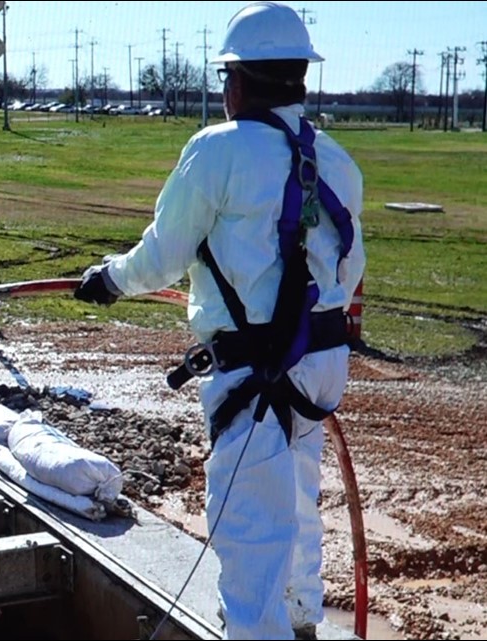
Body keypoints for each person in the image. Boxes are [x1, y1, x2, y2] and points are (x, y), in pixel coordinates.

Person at [73, 3, 365, 639]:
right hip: (318, 366)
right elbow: (347, 269)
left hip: (254, 371)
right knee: (296, 503)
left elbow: (163, 256)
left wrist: (109, 279)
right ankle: (301, 622)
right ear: (298, 79)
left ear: (239, 80)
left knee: (250, 534)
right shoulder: (337, 162)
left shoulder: (216, 151)